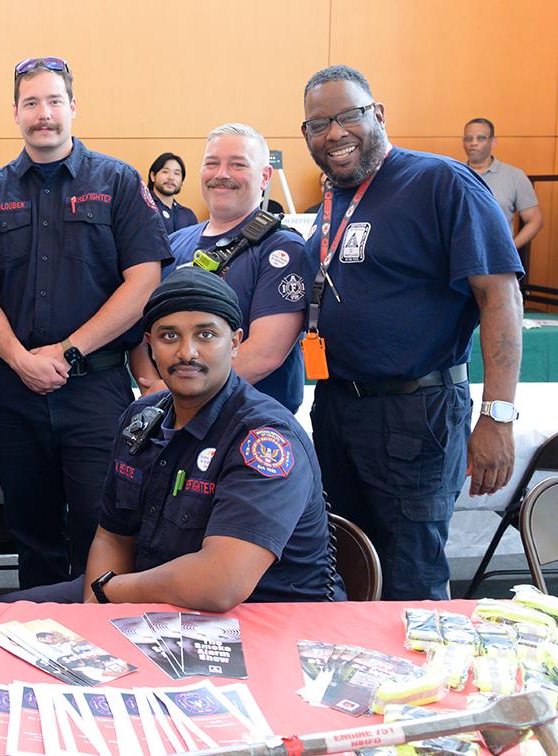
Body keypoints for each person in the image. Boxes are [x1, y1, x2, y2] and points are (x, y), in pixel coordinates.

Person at [300, 65, 522, 600]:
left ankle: (424, 686)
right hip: (338, 408)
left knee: (409, 581)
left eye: (347, 116)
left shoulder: (441, 182)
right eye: (317, 124)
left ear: (377, 114)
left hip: (414, 414)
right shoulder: (332, 203)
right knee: (346, 566)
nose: (333, 134)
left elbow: (500, 297)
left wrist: (498, 415)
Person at [0, 268, 341, 608]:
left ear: (234, 343)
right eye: (169, 336)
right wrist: (97, 611)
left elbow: (222, 584)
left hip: (258, 617)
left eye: (205, 335)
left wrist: (109, 592)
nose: (186, 353)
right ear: (150, 346)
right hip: (149, 597)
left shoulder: (263, 439)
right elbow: (113, 536)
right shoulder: (141, 417)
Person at [0, 56, 170, 589]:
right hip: (13, 389)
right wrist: (20, 359)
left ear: (73, 107)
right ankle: (32, 639)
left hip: (95, 388)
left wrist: (67, 351)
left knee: (100, 526)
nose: (44, 114)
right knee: (29, 531)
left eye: (54, 101)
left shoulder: (119, 183)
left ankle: (98, 649)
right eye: (31, 103)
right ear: (15, 113)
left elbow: (144, 281)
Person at [135, 124, 308, 413]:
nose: (221, 174)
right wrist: (152, 388)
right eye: (211, 163)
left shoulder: (282, 248)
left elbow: (264, 355)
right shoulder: (174, 244)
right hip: (173, 422)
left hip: (249, 424)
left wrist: (169, 393)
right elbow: (141, 328)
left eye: (237, 164)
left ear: (265, 176)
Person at [462, 117, 543, 252]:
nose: (473, 143)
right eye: (468, 138)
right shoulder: (452, 175)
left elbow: (535, 220)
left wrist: (509, 249)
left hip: (499, 262)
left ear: (493, 142)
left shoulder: (514, 176)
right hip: (457, 259)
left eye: (481, 138)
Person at [147, 152, 197, 234]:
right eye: (165, 171)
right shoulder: (142, 207)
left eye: (177, 173)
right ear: (153, 176)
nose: (171, 177)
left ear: (181, 181)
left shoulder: (188, 215)